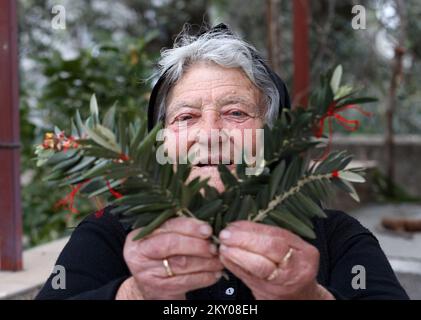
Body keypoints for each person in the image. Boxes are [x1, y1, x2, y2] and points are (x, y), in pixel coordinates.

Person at [36, 23, 409, 300]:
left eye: (236, 113)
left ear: (273, 136)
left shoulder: (337, 238)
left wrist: (309, 296)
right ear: (161, 140)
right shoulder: (110, 233)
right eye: (186, 117)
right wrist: (134, 293)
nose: (211, 133)